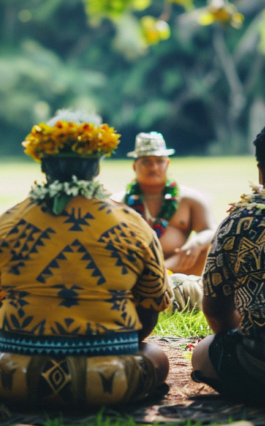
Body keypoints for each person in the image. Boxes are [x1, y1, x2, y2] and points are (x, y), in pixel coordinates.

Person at [0, 110, 172, 408]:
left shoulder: (6, 223)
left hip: (15, 378)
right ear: (96, 166)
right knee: (156, 357)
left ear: (44, 164)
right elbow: (155, 301)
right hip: (109, 380)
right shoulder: (133, 224)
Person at [191, 127, 265, 404]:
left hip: (258, 365)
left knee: (203, 353)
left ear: (260, 171)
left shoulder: (241, 220)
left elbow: (217, 308)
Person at [112, 132, 217, 277]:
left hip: (178, 271)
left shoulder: (190, 199)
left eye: (159, 161)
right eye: (146, 162)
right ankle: (151, 275)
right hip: (134, 274)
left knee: (206, 247)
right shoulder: (118, 202)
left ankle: (159, 274)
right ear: (135, 166)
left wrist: (197, 243)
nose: (154, 167)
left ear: (167, 163)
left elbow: (212, 231)